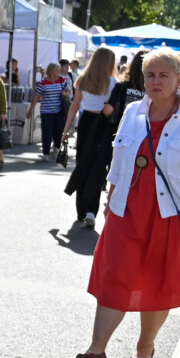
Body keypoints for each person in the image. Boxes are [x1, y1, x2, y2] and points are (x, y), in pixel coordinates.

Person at [78, 50, 180, 358]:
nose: (156, 81)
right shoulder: (132, 112)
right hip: (126, 211)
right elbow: (118, 164)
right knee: (114, 276)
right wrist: (110, 200)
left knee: (159, 283)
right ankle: (96, 349)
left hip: (171, 215)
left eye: (163, 75)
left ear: (179, 79)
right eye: (150, 75)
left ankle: (145, 346)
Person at [63, 48, 118, 227]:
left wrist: (65, 131)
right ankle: (91, 211)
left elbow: (74, 106)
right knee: (98, 167)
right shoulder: (113, 82)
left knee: (82, 164)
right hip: (103, 124)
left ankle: (81, 210)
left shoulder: (83, 79)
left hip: (86, 122)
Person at [35, 63, 66, 159]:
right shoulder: (43, 82)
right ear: (51, 71)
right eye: (57, 70)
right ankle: (46, 153)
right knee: (47, 132)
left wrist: (65, 93)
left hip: (59, 111)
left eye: (59, 70)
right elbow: (37, 96)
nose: (58, 72)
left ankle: (56, 149)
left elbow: (69, 90)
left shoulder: (61, 80)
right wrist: (31, 109)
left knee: (58, 132)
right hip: (46, 111)